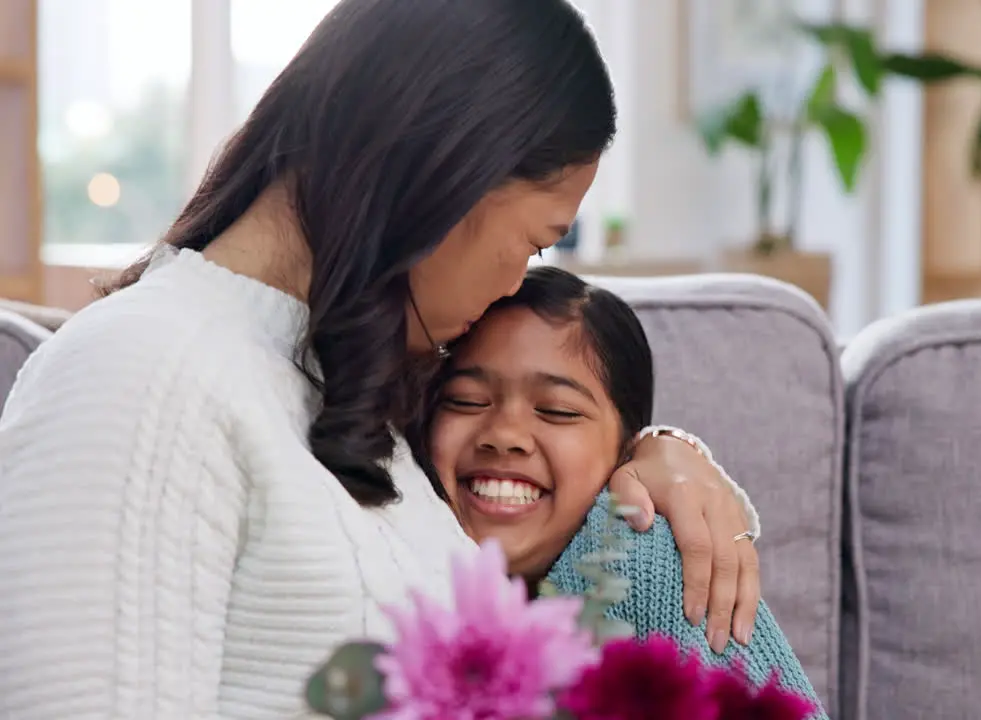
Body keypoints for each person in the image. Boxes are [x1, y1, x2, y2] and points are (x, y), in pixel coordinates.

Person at [0, 1, 761, 717]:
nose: (510, 287)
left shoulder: (338, 386)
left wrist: (657, 452)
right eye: (535, 241)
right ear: (451, 170)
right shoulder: (147, 374)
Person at [427, 266, 824, 716]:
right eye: (465, 400)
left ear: (626, 451)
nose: (504, 434)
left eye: (556, 411)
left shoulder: (642, 557)